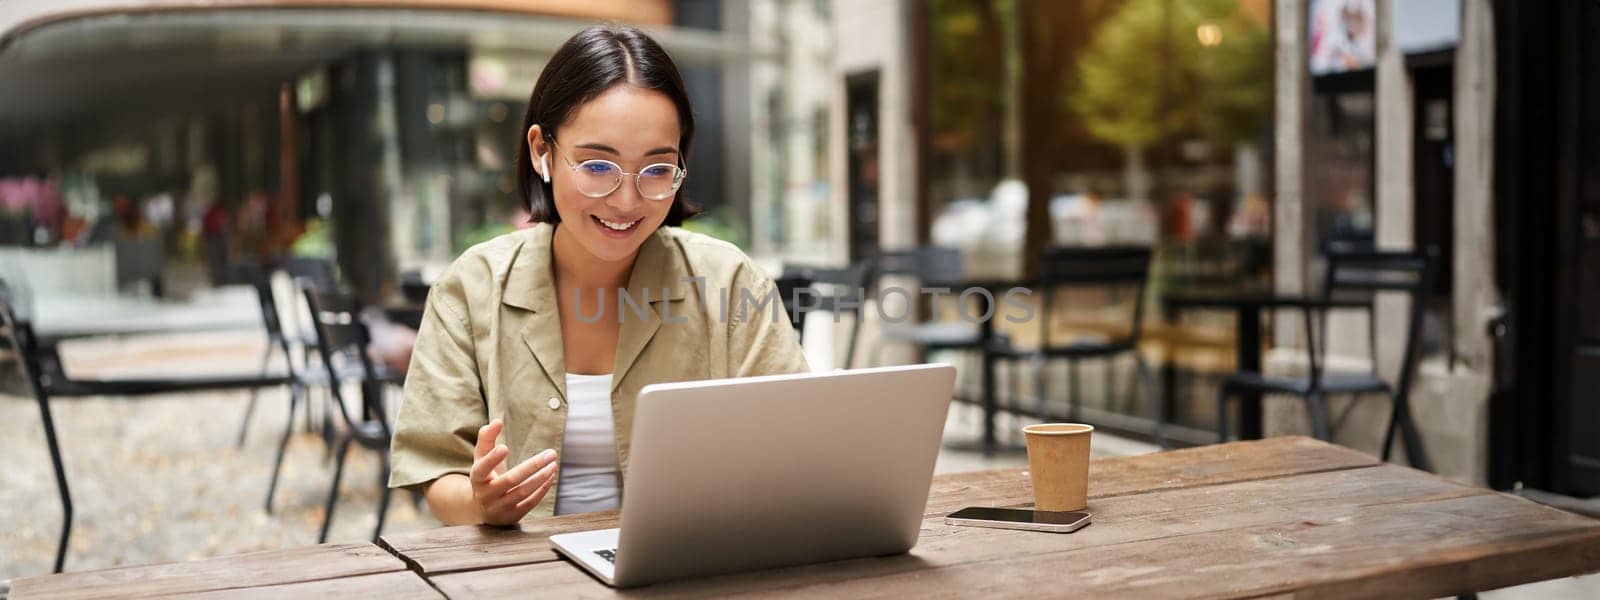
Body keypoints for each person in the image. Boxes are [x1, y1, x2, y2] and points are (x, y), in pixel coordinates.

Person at [388, 25, 810, 526]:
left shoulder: (730, 284)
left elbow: (797, 449)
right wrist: (481, 502)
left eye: (656, 170)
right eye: (597, 166)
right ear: (542, 151)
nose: (627, 201)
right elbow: (439, 470)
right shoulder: (471, 288)